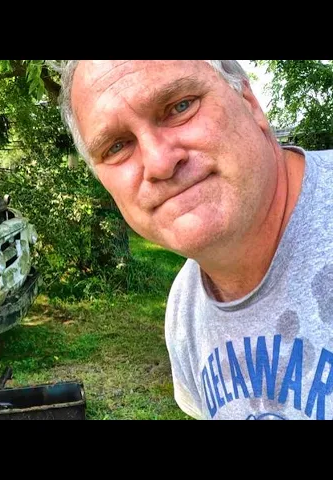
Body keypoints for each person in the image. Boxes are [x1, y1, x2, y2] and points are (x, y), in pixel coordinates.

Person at [57, 60, 333, 420]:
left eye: (180, 107)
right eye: (117, 146)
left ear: (249, 102)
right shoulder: (185, 311)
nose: (159, 163)